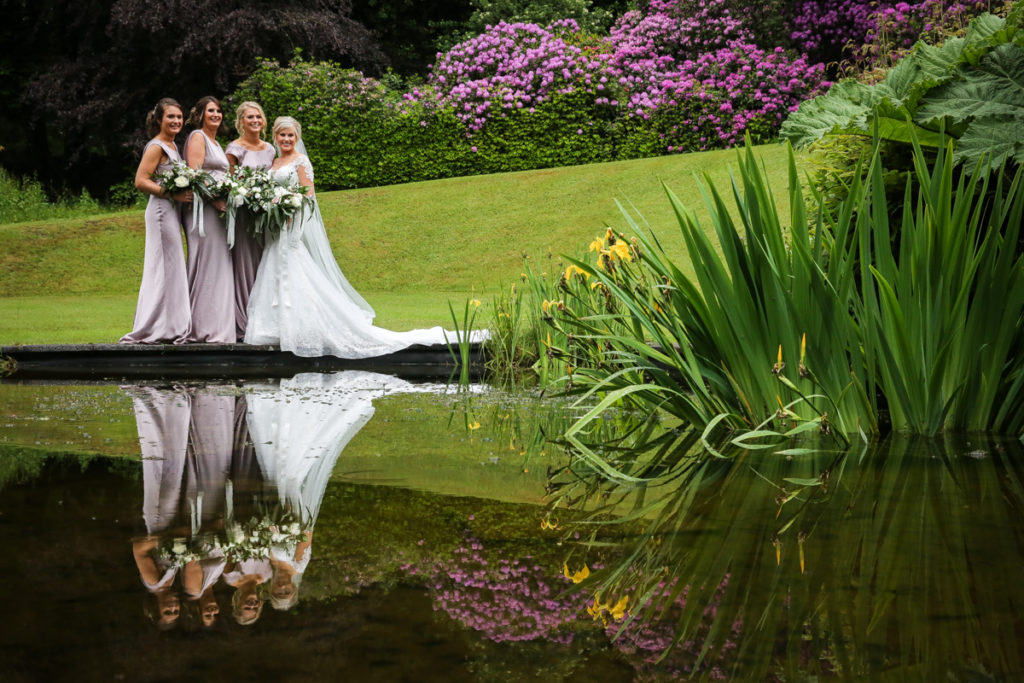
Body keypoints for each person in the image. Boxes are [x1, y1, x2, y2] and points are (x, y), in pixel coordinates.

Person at [245, 116, 484, 358]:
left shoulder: (301, 161)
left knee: (293, 267)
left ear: (297, 138)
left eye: (291, 136)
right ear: (275, 136)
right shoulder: (274, 162)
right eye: (282, 135)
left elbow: (308, 195)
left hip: (290, 223)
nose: (286, 140)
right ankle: (273, 329)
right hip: (273, 227)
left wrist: (288, 207)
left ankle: (304, 328)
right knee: (273, 265)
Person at [120, 98, 192, 344]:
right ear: (159, 119)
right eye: (171, 117)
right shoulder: (156, 146)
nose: (176, 121)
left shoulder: (172, 145)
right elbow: (141, 181)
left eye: (179, 117)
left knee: (171, 268)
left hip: (172, 211)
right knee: (162, 268)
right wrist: (172, 193)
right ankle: (154, 327)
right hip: (161, 211)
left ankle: (170, 324)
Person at [183, 96, 235, 343]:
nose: (216, 114)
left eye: (219, 111)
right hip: (203, 210)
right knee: (205, 264)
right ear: (201, 114)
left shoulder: (216, 141)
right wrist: (215, 201)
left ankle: (218, 328)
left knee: (219, 265)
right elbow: (195, 175)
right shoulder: (197, 137)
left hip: (218, 209)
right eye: (210, 110)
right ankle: (200, 328)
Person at [225, 101, 276, 341]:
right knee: (244, 267)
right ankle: (243, 323)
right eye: (249, 118)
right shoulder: (234, 149)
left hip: (265, 216)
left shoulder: (270, 149)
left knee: (265, 265)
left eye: (258, 117)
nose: (255, 121)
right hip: (244, 216)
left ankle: (264, 321)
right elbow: (231, 184)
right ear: (241, 122)